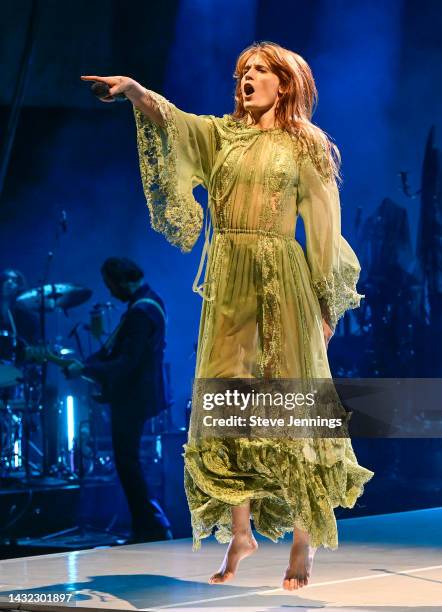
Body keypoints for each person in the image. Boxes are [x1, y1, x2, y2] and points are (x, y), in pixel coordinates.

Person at [81, 40, 375, 590]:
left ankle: (303, 540)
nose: (247, 78)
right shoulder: (223, 135)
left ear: (283, 84)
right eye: (242, 70)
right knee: (226, 402)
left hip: (280, 278)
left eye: (260, 71)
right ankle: (240, 531)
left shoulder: (304, 145)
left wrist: (325, 302)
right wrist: (136, 92)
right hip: (229, 281)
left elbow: (324, 226)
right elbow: (179, 124)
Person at [66, 257, 172, 542]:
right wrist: (90, 365)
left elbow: (127, 362)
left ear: (123, 281)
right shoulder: (150, 302)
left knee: (127, 462)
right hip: (139, 393)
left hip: (134, 396)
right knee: (128, 462)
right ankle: (149, 523)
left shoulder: (140, 313)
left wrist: (86, 368)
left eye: (110, 285)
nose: (110, 292)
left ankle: (149, 525)